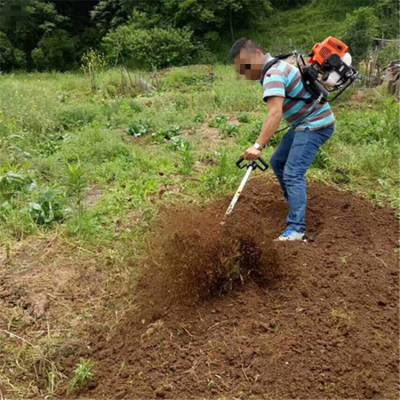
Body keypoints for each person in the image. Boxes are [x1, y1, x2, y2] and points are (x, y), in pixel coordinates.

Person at [229, 38, 335, 241]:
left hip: (314, 125)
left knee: (293, 173)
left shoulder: (272, 74)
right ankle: (297, 205)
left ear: (258, 54)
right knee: (278, 162)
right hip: (304, 123)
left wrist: (258, 146)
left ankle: (296, 229)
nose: (245, 72)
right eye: (241, 70)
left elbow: (275, 114)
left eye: (246, 66)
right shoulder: (276, 67)